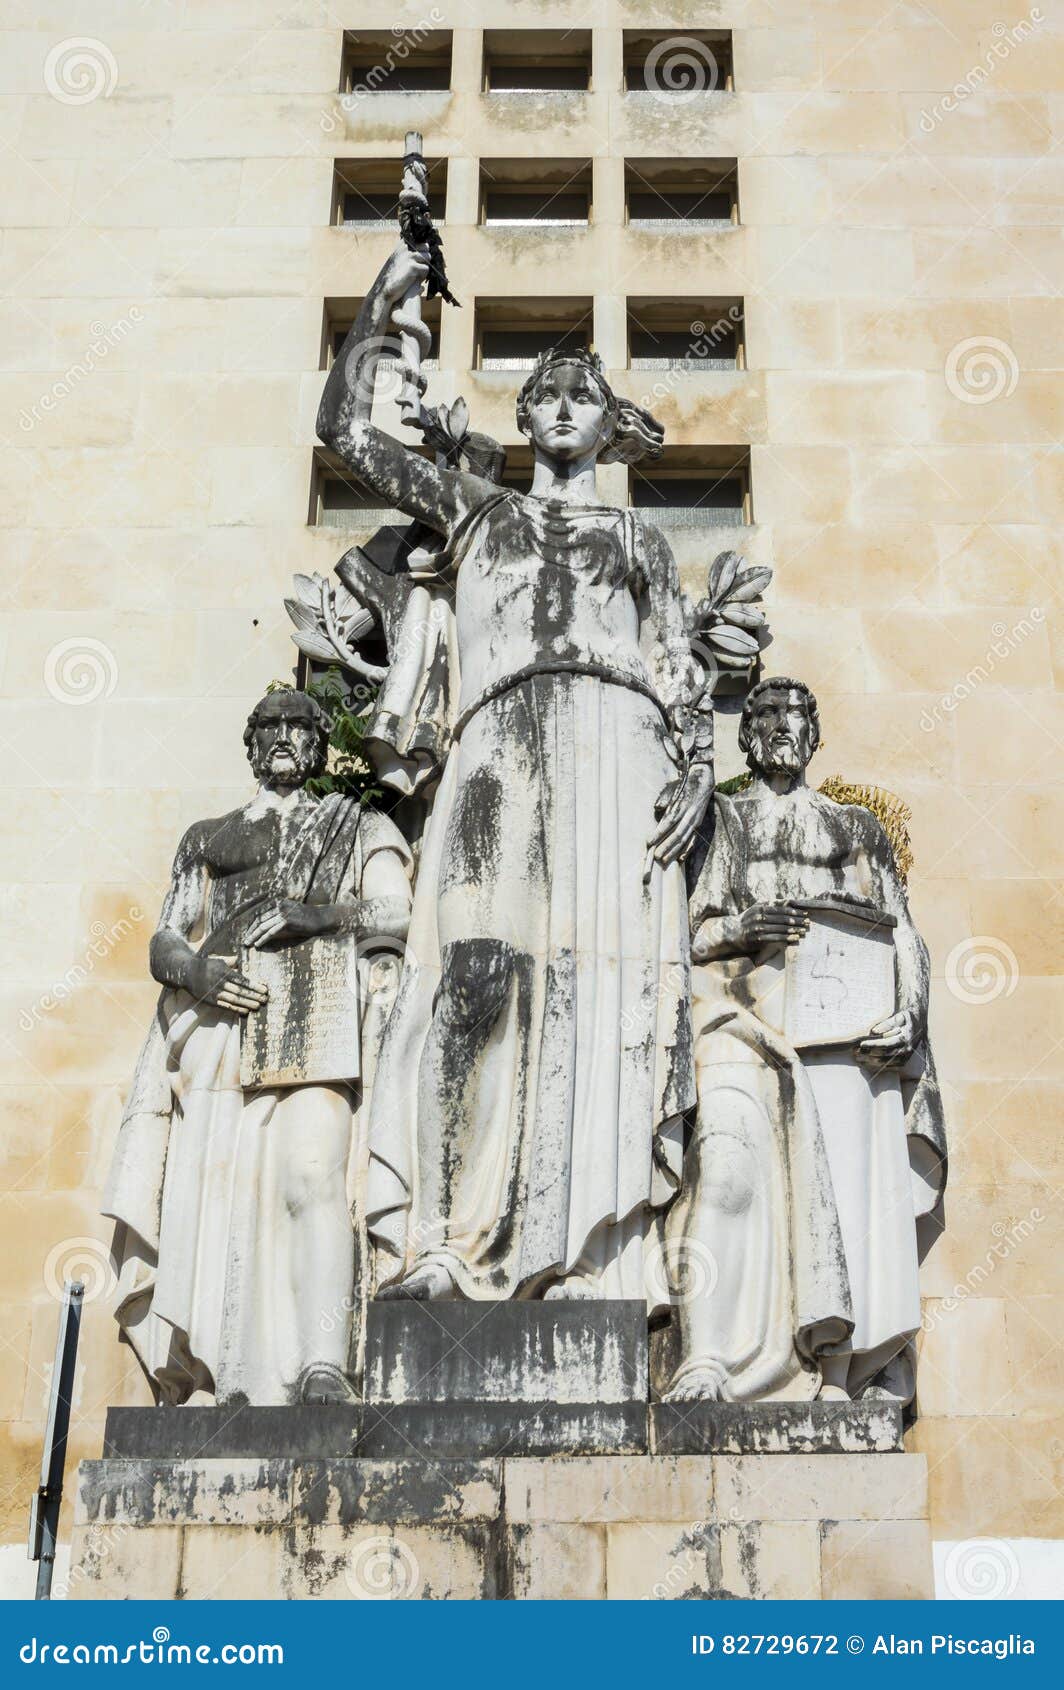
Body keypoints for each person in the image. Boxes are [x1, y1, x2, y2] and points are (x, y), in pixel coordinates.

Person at [317, 242, 715, 1301]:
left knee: (603, 992)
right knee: (474, 975)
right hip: (497, 741)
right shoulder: (475, 509)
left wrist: (698, 769)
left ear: (606, 422)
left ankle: (591, 1250)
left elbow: (677, 667)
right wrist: (380, 306)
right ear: (525, 419)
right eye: (541, 394)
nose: (558, 405)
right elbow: (348, 434)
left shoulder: (637, 539)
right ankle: (444, 1234)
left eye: (581, 395)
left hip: (620, 748)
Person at [104, 689, 412, 1404]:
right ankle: (226, 1371)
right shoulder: (210, 835)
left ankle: (322, 1364)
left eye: (299, 727)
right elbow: (166, 935)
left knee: (313, 1176)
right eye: (269, 726)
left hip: (318, 1012)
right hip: (217, 1030)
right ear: (251, 743)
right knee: (217, 1195)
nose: (282, 737)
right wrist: (195, 972)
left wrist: (317, 915)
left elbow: (395, 909)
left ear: (316, 745)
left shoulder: (356, 825)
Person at [665, 677, 946, 1403]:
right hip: (746, 1024)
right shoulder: (722, 822)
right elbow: (686, 932)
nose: (781, 730)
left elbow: (902, 931)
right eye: (766, 719)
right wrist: (740, 928)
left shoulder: (855, 829)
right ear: (748, 737)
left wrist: (910, 1010)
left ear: (814, 734)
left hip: (843, 1036)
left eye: (795, 719)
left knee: (853, 1190)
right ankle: (714, 1353)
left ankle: (849, 1366)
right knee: (725, 1170)